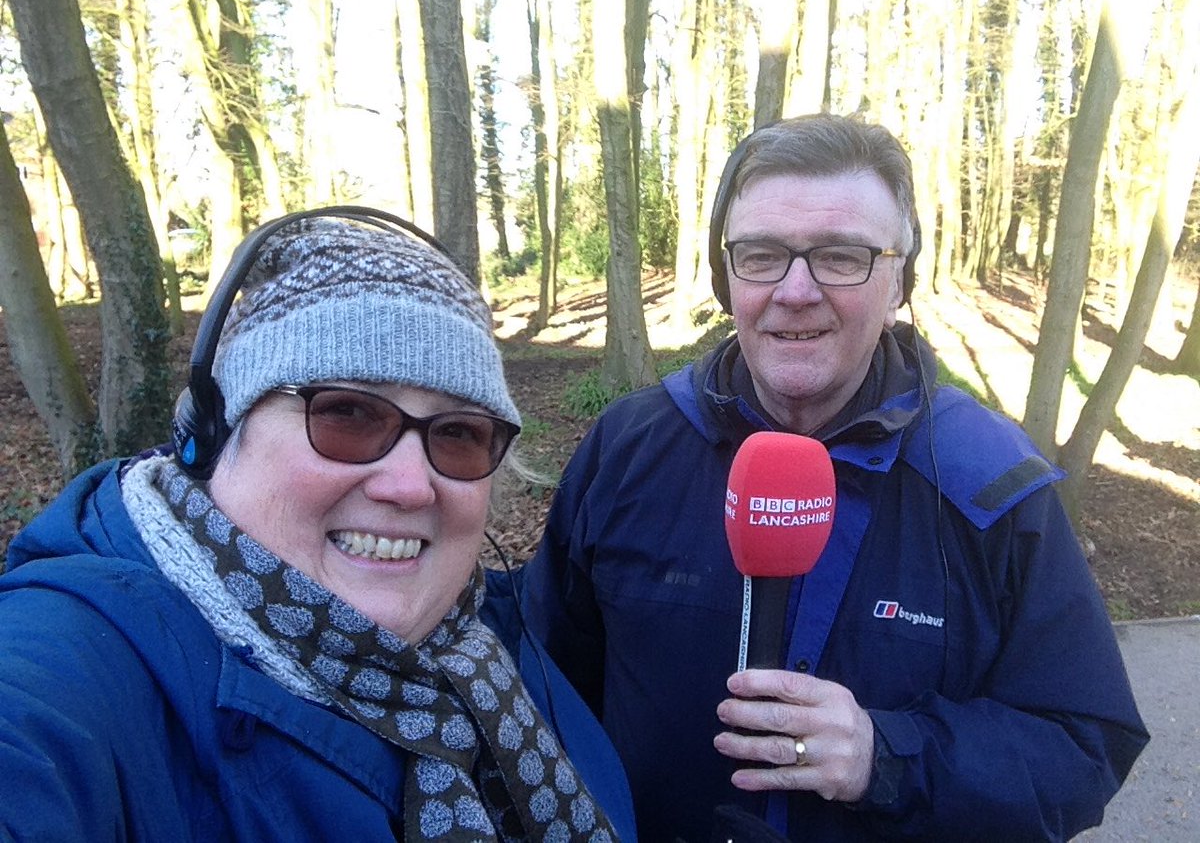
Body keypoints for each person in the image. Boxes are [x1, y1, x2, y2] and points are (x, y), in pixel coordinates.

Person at [522, 115, 1148, 841]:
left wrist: (886, 757)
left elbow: (1085, 747)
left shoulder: (993, 484)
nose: (795, 290)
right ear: (725, 278)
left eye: (841, 256)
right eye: (761, 255)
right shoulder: (627, 449)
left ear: (900, 280)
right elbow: (542, 688)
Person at [0, 208, 635, 842]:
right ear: (214, 435)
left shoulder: (496, 642)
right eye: (347, 415)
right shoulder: (75, 669)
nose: (410, 485)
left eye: (459, 434)